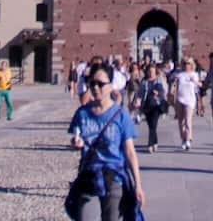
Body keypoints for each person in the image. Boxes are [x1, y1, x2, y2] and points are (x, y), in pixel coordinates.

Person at [64, 63, 146, 221]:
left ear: (111, 86)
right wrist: (75, 144)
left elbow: (130, 152)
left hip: (113, 178)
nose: (95, 88)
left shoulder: (121, 115)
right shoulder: (82, 114)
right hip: (89, 175)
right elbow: (76, 139)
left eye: (100, 84)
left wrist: (138, 185)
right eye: (92, 83)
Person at [171, 58, 201, 151]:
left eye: (188, 63)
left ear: (191, 64)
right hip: (180, 99)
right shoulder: (179, 74)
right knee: (181, 121)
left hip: (190, 100)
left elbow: (199, 86)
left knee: (188, 121)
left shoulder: (194, 74)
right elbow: (172, 83)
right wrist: (173, 80)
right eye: (184, 63)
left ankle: (188, 140)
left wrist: (194, 81)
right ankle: (183, 139)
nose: (186, 65)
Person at [139, 64, 169, 153]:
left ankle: (150, 144)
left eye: (152, 71)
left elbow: (163, 91)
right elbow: (139, 93)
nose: (151, 73)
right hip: (147, 105)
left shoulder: (159, 80)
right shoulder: (144, 82)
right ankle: (155, 142)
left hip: (156, 105)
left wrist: (158, 93)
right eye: (149, 71)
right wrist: (136, 101)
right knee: (151, 125)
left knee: (153, 125)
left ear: (155, 72)